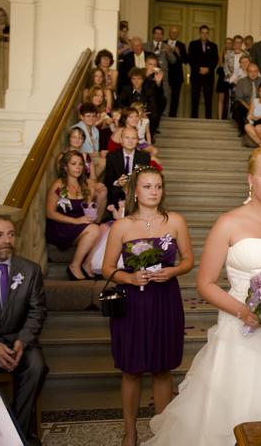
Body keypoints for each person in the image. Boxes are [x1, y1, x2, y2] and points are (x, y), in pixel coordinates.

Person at [143, 145, 261, 446]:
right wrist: (243, 312)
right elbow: (205, 283)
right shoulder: (228, 223)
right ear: (250, 180)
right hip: (243, 332)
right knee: (242, 408)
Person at [103, 166, 194, 446]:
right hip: (132, 302)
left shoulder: (175, 221)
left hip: (165, 299)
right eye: (147, 186)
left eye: (158, 186)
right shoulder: (121, 226)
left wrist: (173, 271)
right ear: (135, 192)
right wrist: (129, 278)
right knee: (131, 369)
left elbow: (189, 260)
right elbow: (107, 268)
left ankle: (161, 434)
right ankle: (130, 432)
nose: (154, 192)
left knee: (162, 367)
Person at [0, 214, 48, 446]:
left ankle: (16, 436)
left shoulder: (31, 270)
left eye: (11, 234)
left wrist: (23, 340)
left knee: (36, 366)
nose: (6, 240)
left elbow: (37, 311)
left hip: (18, 340)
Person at [45, 151, 104, 280]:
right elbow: (50, 213)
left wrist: (92, 213)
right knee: (94, 230)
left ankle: (87, 264)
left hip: (79, 224)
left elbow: (88, 209)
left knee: (103, 228)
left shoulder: (85, 185)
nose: (78, 167)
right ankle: (74, 266)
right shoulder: (59, 185)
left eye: (80, 164)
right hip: (61, 226)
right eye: (73, 164)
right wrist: (75, 221)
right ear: (65, 167)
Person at [104, 126, 151, 209]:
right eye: (127, 138)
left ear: (137, 141)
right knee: (114, 190)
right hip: (117, 191)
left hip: (136, 189)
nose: (130, 141)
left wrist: (132, 184)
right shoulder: (112, 156)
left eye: (133, 138)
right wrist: (118, 182)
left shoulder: (145, 157)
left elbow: (145, 178)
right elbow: (108, 179)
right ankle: (116, 214)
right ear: (121, 140)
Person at [188, 25, 218, 119]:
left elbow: (215, 60)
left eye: (206, 33)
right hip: (196, 76)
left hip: (209, 77)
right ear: (200, 33)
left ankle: (208, 119)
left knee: (208, 99)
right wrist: (199, 69)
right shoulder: (193, 44)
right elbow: (191, 59)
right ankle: (193, 119)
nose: (204, 35)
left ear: (208, 34)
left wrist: (208, 69)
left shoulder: (213, 46)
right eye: (202, 32)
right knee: (195, 99)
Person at [231, 63, 261, 136]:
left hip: (259, 107)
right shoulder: (241, 81)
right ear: (247, 72)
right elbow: (239, 98)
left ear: (258, 72)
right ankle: (242, 130)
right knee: (236, 105)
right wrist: (249, 107)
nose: (253, 74)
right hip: (245, 106)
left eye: (255, 71)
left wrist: (255, 107)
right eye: (251, 71)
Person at [166, 26, 187, 117]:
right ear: (169, 33)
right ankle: (163, 115)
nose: (173, 34)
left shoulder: (181, 45)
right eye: (172, 32)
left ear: (178, 34)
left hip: (177, 76)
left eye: (175, 32)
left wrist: (179, 53)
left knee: (175, 97)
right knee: (164, 96)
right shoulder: (163, 43)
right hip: (165, 74)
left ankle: (172, 115)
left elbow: (185, 61)